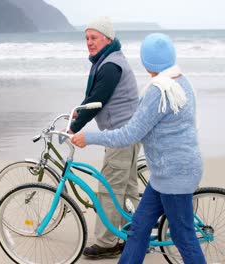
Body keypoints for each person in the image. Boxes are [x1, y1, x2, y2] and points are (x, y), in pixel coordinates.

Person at [71, 33, 207, 263]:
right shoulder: (180, 81)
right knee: (139, 228)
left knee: (184, 237)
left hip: (174, 176)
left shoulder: (158, 91)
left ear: (146, 62)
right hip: (166, 174)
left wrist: (90, 138)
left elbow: (129, 135)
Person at [68, 16, 141, 259]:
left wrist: (75, 126)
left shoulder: (110, 65)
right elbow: (94, 99)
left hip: (121, 135)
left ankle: (108, 242)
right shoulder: (109, 60)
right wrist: (78, 111)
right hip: (127, 133)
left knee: (110, 187)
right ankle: (137, 232)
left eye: (94, 37)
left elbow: (97, 100)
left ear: (107, 39)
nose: (89, 42)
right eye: (87, 38)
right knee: (126, 186)